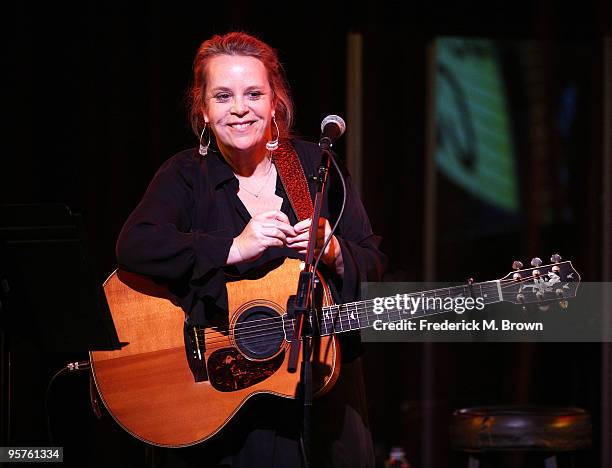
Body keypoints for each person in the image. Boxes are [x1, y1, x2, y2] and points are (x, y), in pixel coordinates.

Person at [116, 31, 386, 468]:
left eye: (253, 93)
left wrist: (335, 251)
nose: (239, 108)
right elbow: (134, 245)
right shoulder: (186, 175)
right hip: (218, 408)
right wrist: (232, 247)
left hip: (318, 400)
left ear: (275, 101)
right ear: (203, 109)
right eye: (222, 96)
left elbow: (373, 264)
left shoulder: (315, 169)